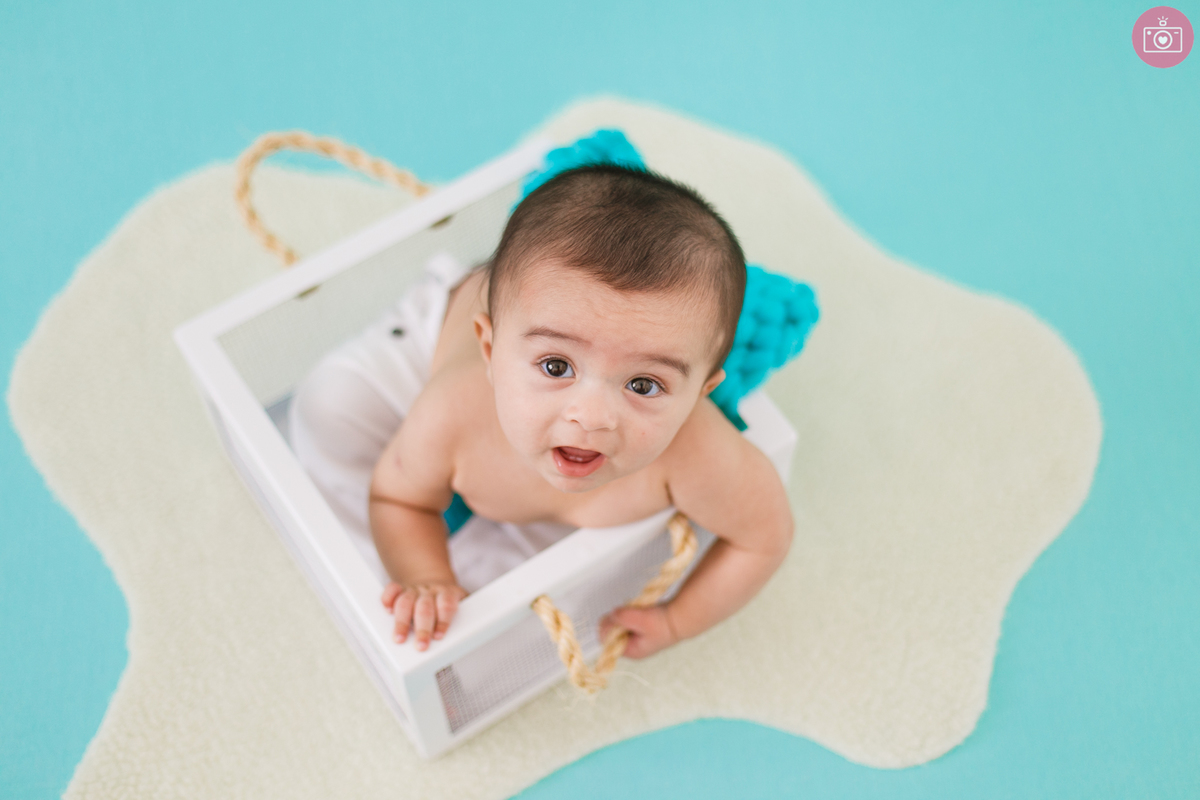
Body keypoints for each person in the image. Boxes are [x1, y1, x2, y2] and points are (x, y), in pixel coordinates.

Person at [359, 161, 794, 661]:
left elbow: (765, 538)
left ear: (699, 394)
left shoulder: (698, 455)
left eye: (643, 383)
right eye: (556, 366)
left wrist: (676, 620)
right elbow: (398, 498)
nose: (591, 417)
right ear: (490, 349)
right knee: (327, 410)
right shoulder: (450, 415)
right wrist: (425, 577)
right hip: (442, 317)